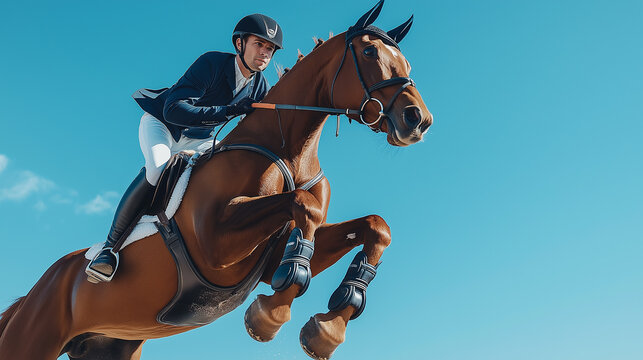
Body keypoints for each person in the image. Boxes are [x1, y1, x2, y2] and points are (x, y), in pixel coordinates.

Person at [85, 14, 283, 283]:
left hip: (200, 139)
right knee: (158, 168)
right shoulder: (212, 63)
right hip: (163, 125)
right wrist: (229, 110)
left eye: (269, 48)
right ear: (240, 43)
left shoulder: (261, 87)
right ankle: (108, 249)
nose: (264, 53)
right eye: (259, 44)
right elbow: (174, 109)